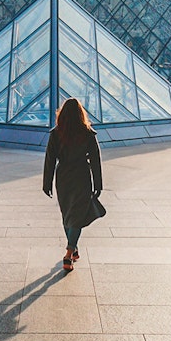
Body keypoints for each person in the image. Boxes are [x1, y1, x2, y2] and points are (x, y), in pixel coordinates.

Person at [42, 97, 104, 272]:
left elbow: (49, 160)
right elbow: (95, 160)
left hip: (63, 177)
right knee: (76, 215)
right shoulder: (87, 133)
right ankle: (70, 252)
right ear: (80, 114)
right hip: (82, 177)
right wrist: (98, 184)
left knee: (67, 214)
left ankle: (71, 248)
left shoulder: (56, 133)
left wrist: (47, 183)